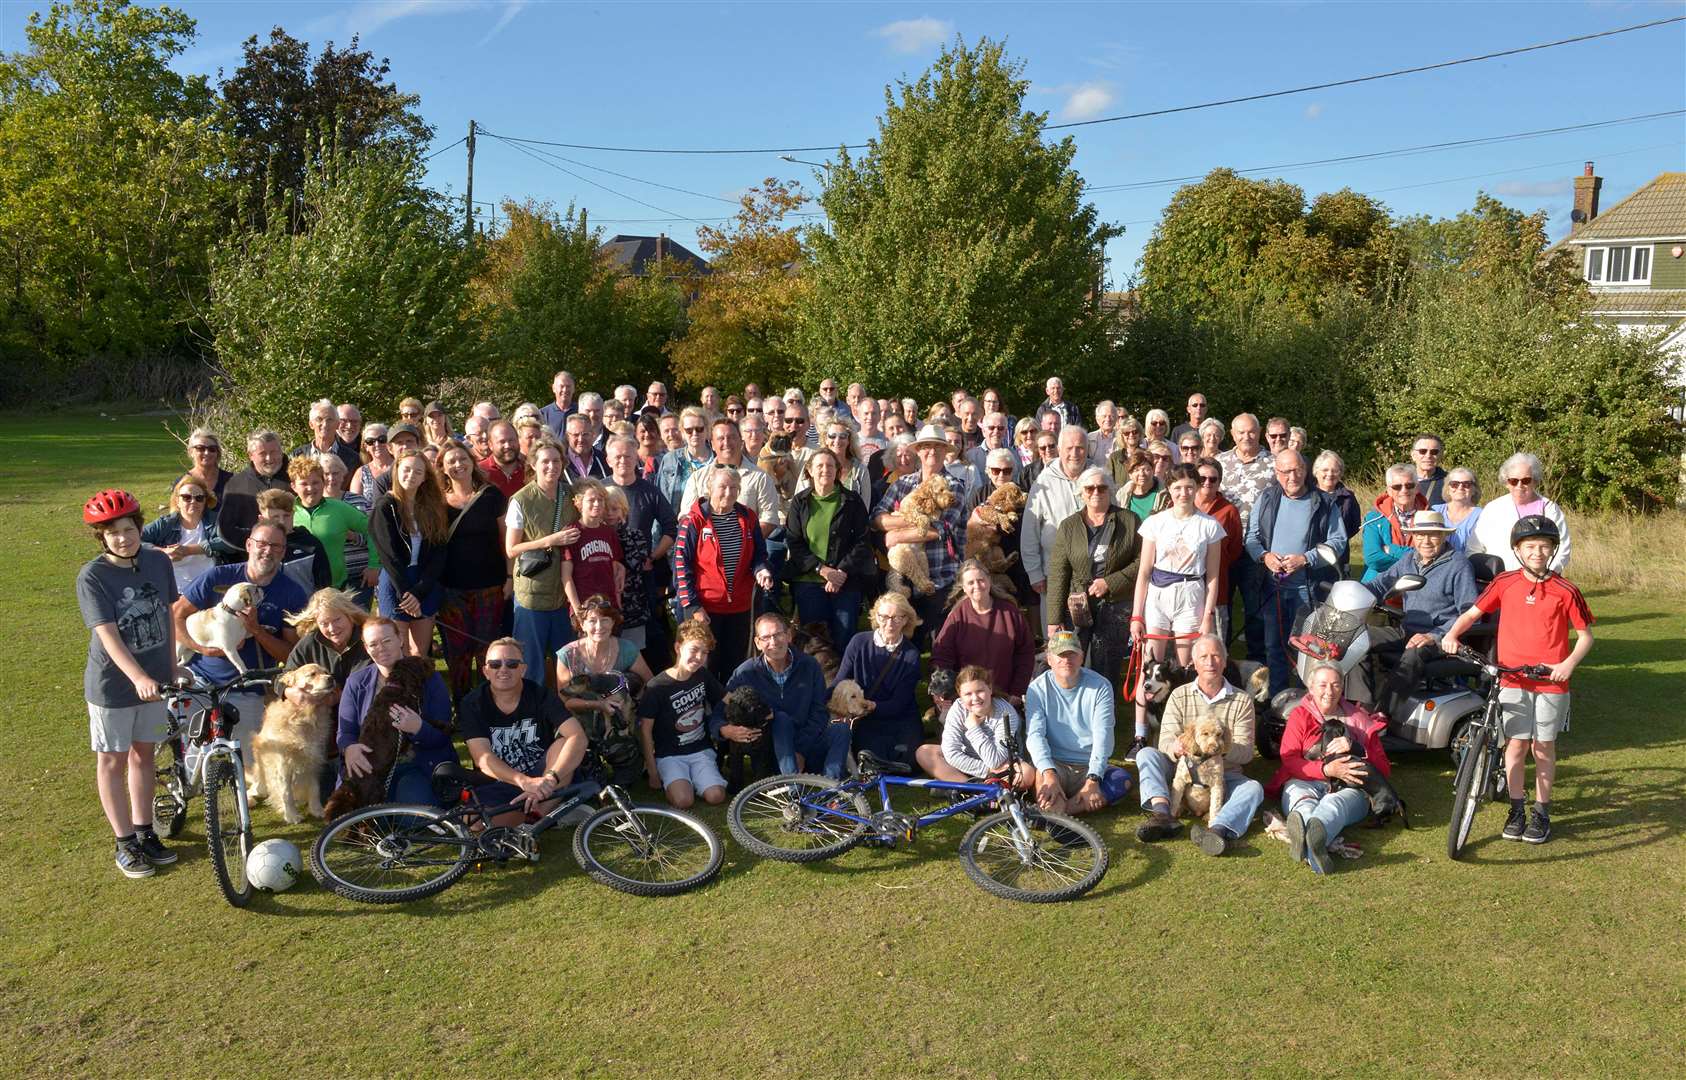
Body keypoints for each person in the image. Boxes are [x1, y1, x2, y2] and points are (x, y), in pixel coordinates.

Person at [1442, 515, 1592, 845]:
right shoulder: (1505, 583)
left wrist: (1567, 664)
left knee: (1543, 747)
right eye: (1530, 547)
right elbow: (1472, 614)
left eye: (1544, 546)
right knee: (1515, 745)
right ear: (1518, 550)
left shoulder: (1565, 590)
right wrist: (1452, 634)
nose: (1537, 552)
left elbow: (1585, 636)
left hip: (1551, 682)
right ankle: (1516, 808)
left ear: (1553, 550)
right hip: (1512, 678)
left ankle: (1541, 811)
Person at [78, 490, 182, 877]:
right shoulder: (93, 576)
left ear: (139, 527)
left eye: (128, 529)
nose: (123, 538)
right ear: (101, 538)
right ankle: (124, 842)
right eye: (113, 533)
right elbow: (107, 634)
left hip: (155, 683)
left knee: (145, 753)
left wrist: (170, 670)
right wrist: (138, 676)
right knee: (112, 759)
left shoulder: (157, 561)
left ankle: (144, 831)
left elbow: (169, 618)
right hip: (114, 687)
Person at [174, 520, 306, 746]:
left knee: (245, 764)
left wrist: (256, 630)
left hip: (249, 688)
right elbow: (175, 615)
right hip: (201, 681)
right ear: (248, 545)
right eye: (262, 543)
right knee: (196, 757)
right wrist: (201, 648)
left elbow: (291, 655)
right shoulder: (217, 577)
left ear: (283, 552)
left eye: (276, 546)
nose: (268, 550)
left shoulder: (292, 593)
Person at [1133, 633, 1265, 854]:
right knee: (1146, 754)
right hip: (1181, 768)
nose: (1210, 662)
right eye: (1204, 656)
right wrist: (1176, 747)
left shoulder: (1242, 700)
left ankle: (1218, 830)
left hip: (1224, 773)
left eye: (1216, 656)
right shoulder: (1178, 695)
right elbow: (1165, 740)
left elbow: (1245, 753)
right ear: (1193, 662)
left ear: (1225, 661)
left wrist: (1217, 748)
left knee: (1253, 789)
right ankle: (1162, 814)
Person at [1129, 463, 1225, 750]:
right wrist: (1137, 615)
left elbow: (1213, 575)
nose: (1183, 493)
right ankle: (1140, 735)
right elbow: (1144, 572)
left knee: (1185, 669)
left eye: (1189, 487)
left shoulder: (1209, 526)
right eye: (1177, 487)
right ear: (1168, 490)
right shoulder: (1156, 523)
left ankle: (1183, 732)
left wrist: (1208, 615)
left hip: (1191, 597)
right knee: (1147, 668)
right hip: (1158, 597)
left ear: (1197, 488)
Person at [1264, 663, 1390, 874]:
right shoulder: (1300, 716)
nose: (1329, 692)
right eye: (1322, 685)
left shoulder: (1359, 720)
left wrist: (1357, 747)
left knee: (1334, 802)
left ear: (1342, 688)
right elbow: (1289, 759)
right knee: (1301, 799)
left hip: (1351, 788)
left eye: (1335, 685)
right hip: (1304, 780)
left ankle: (1307, 841)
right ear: (1311, 688)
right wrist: (1326, 770)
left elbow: (1383, 770)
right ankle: (1315, 845)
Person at [1244, 449, 1349, 696]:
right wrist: (1265, 556)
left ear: (1305, 470)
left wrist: (1306, 558)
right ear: (1276, 473)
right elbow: (1251, 538)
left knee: (1310, 650)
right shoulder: (1267, 498)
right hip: (1273, 588)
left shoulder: (1323, 502)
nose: (1292, 476)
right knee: (1274, 648)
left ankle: (1310, 702)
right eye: (1286, 471)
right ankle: (1279, 700)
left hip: (1308, 589)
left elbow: (1338, 541)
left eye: (1297, 470)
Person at [1353, 509, 1478, 716]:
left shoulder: (1458, 564)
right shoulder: (1410, 559)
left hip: (1439, 637)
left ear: (1444, 536)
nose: (1426, 541)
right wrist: (1351, 591)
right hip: (1407, 630)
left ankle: (1382, 715)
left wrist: (1433, 636)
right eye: (1420, 535)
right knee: (1356, 638)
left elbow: (1470, 611)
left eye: (1433, 535)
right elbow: (1380, 584)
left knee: (1413, 654)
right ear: (1413, 537)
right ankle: (1362, 705)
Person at [458, 638, 588, 828]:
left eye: (512, 664)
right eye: (495, 664)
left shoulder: (540, 694)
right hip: (500, 780)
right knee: (472, 822)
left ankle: (537, 816)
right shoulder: (472, 703)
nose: (503, 670)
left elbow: (577, 736)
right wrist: (524, 782)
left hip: (544, 775)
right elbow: (482, 758)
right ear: (486, 671)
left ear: (523, 669)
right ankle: (555, 810)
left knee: (563, 746)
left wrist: (548, 780)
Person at [1047, 466, 1141, 714]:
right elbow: (1058, 572)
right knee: (1068, 657)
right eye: (1090, 488)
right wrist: (1054, 619)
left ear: (1110, 491)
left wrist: (1111, 581)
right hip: (1077, 604)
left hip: (1116, 603)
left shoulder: (1129, 521)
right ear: (1082, 493)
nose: (1096, 492)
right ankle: (1067, 711)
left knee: (1107, 661)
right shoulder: (1068, 526)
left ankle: (1104, 713)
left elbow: (1142, 562)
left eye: (1102, 487)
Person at [336, 617, 454, 806]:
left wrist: (418, 728)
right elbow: (345, 731)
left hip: (416, 764)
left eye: (387, 640)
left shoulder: (428, 676)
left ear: (400, 640)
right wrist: (349, 747)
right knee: (366, 819)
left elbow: (444, 734)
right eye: (373, 644)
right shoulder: (357, 682)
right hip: (371, 766)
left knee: (411, 818)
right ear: (366, 648)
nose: (381, 648)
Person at [673, 467, 774, 681]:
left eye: (733, 488)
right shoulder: (693, 521)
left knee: (736, 665)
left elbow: (759, 554)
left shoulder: (748, 517)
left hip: (740, 607)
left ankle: (731, 709)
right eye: (722, 487)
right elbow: (681, 566)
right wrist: (693, 606)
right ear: (710, 488)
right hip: (705, 608)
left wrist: (761, 570)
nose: (728, 493)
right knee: (705, 665)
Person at [872, 424, 970, 636]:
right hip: (904, 577)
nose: (932, 451)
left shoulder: (953, 487)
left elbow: (940, 529)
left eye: (937, 446)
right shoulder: (902, 484)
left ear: (946, 451)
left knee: (942, 647)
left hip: (941, 576)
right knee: (906, 642)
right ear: (918, 450)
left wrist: (895, 535)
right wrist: (908, 521)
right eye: (926, 446)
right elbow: (877, 517)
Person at [724, 612, 847, 779]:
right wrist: (724, 730)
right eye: (766, 637)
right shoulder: (746, 672)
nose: (773, 642)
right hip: (773, 753)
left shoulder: (809, 666)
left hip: (808, 744)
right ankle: (793, 790)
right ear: (758, 643)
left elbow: (819, 711)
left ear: (789, 635)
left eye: (778, 635)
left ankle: (832, 791)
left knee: (841, 729)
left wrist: (800, 750)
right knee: (780, 719)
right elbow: (722, 705)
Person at [436, 442, 509, 702]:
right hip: (451, 589)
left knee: (487, 650)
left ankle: (491, 703)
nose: (458, 465)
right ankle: (463, 705)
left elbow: (505, 541)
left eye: (462, 459)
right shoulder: (437, 502)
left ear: (472, 461)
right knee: (457, 653)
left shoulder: (492, 496)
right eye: (451, 462)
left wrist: (510, 577)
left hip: (490, 586)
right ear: (443, 469)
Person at [1024, 631, 1127, 816]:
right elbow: (1035, 735)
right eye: (1060, 655)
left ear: (1081, 657)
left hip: (1088, 765)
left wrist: (1093, 779)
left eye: (1072, 653)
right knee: (1043, 780)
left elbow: (1103, 736)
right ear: (1049, 659)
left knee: (1122, 780)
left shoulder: (1101, 686)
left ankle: (1059, 815)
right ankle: (1066, 813)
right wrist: (1049, 773)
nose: (1066, 659)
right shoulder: (1036, 688)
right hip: (1055, 764)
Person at [505, 441, 581, 686]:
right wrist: (550, 540)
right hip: (533, 593)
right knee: (531, 664)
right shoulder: (521, 500)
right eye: (545, 461)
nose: (551, 466)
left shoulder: (571, 495)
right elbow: (511, 548)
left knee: (568, 662)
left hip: (564, 591)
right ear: (533, 464)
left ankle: (569, 716)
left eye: (556, 461)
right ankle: (532, 717)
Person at [782, 449, 874, 649]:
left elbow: (862, 541)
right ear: (810, 471)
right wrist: (822, 570)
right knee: (814, 643)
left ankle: (843, 680)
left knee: (844, 640)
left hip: (845, 581)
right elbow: (794, 541)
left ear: (838, 470)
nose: (825, 470)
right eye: (820, 466)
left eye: (830, 465)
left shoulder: (852, 501)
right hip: (809, 581)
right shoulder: (800, 502)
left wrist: (841, 572)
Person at [640, 619, 730, 807]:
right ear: (678, 647)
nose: (699, 657)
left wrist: (756, 707)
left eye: (704, 653)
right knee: (683, 801)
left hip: (700, 749)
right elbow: (645, 730)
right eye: (694, 650)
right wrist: (652, 770)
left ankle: (699, 779)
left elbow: (728, 699)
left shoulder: (703, 675)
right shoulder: (656, 687)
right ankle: (678, 781)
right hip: (669, 754)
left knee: (716, 796)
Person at [370, 449, 448, 657]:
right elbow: (389, 555)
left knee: (419, 651)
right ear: (396, 471)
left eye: (417, 472)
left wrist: (419, 591)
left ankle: (418, 689)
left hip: (424, 582)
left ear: (425, 477)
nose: (411, 475)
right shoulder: (386, 506)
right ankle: (398, 690)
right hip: (396, 582)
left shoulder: (432, 508)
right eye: (406, 470)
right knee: (397, 650)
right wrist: (407, 594)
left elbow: (439, 552)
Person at [836, 592, 925, 770]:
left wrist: (872, 705)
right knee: (872, 759)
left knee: (907, 762)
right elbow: (840, 681)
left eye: (896, 618)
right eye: (883, 617)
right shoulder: (858, 642)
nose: (889, 624)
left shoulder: (911, 654)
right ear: (875, 616)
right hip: (866, 717)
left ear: (906, 619)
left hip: (899, 716)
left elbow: (899, 703)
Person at [931, 559, 1036, 708]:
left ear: (989, 580)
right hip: (969, 700)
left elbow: (1025, 653)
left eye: (981, 580)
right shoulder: (957, 616)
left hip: (1005, 697)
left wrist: (1017, 692)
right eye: (971, 583)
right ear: (964, 588)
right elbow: (942, 656)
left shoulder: (1010, 612)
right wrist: (943, 691)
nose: (977, 586)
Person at [915, 665, 1035, 787]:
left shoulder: (1006, 713)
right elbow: (950, 752)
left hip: (1001, 765)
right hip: (968, 762)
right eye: (968, 694)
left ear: (990, 689)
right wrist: (986, 770)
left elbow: (995, 761)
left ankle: (970, 788)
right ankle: (973, 790)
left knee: (1027, 773)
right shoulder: (958, 709)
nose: (975, 698)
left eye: (980, 691)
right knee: (924, 752)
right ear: (960, 695)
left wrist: (974, 728)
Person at [1217, 413, 1274, 661]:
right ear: (1232, 434)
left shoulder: (1273, 464)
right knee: (1222, 606)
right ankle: (1221, 659)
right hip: (1223, 547)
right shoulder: (1219, 462)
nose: (1246, 436)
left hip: (1257, 548)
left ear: (1259, 432)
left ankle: (1257, 663)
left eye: (1251, 431)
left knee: (1254, 608)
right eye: (1241, 432)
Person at [1021, 423, 1090, 630]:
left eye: (1080, 448)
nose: (1075, 453)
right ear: (1060, 450)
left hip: (1091, 575)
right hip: (1054, 575)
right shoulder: (1044, 482)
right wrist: (1035, 573)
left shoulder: (1097, 477)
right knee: (1058, 637)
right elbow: (1029, 531)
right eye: (1069, 448)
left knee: (1087, 641)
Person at [1469, 452, 1572, 573]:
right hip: (1500, 582)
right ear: (1506, 483)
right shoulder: (1492, 509)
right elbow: (1474, 549)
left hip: (1542, 580)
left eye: (1526, 480)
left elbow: (1562, 549)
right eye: (1513, 481)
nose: (1519, 485)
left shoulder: (1550, 509)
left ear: (1535, 481)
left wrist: (1546, 575)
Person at [289, 454, 377, 592]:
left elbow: (374, 530)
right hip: (298, 591)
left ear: (323, 483)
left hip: (335, 589)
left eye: (315, 482)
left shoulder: (339, 508)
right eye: (304, 483)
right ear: (293, 486)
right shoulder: (287, 512)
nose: (311, 488)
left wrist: (374, 565)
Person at [679, 418, 781, 532]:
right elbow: (686, 517)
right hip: (706, 546)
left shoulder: (760, 478)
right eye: (720, 438)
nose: (726, 442)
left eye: (732, 437)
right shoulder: (697, 478)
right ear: (712, 444)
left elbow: (769, 519)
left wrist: (747, 544)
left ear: (741, 441)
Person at [556, 595, 655, 693]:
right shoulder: (567, 654)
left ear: (613, 622)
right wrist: (597, 705)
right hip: (580, 708)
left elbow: (652, 684)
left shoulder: (628, 649)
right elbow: (564, 698)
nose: (599, 627)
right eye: (592, 621)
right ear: (582, 625)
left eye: (605, 620)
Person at [558, 478, 625, 621]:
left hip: (608, 606)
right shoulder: (572, 532)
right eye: (591, 500)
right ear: (578, 503)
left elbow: (614, 570)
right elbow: (566, 576)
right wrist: (577, 609)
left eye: (600, 500)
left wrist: (617, 603)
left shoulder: (608, 532)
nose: (597, 504)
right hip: (585, 607)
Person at [215, 430, 289, 558]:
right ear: (251, 455)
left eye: (274, 452)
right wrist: (258, 545)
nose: (269, 458)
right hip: (253, 560)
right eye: (263, 454)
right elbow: (225, 529)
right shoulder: (236, 485)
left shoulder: (296, 478)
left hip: (295, 555)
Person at [143, 476, 218, 594]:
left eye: (199, 498)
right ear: (177, 501)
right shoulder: (165, 524)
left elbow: (228, 542)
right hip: (173, 589)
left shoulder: (215, 521)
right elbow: (136, 540)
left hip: (208, 588)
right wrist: (162, 551)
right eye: (186, 497)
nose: (193, 501)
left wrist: (188, 550)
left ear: (205, 501)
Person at [254, 488, 331, 595]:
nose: (281, 521)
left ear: (293, 514)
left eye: (286, 516)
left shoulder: (311, 544)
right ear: (261, 519)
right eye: (275, 517)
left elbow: (324, 586)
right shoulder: (255, 546)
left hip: (304, 608)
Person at [1360, 464, 1427, 583]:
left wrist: (1391, 550)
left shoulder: (1430, 517)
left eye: (1409, 485)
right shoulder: (1374, 518)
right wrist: (1413, 565)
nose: (1404, 490)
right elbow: (1373, 558)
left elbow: (1431, 556)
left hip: (1417, 588)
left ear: (1417, 488)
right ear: (1389, 491)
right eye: (1397, 487)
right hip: (1378, 587)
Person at [1311, 450, 1363, 554]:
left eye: (1334, 470)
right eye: (1325, 470)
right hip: (1309, 553)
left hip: (1339, 554)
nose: (1330, 474)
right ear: (1316, 472)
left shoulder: (1348, 497)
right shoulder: (1307, 496)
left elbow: (1354, 525)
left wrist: (1338, 540)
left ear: (1340, 473)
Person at [293, 398, 358, 473]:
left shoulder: (352, 458)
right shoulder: (297, 455)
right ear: (311, 424)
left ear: (337, 424)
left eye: (329, 420)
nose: (325, 424)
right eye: (319, 419)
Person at [1432, 467, 1482, 554]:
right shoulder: (1434, 511)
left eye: (1466, 484)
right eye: (1454, 484)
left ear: (1474, 490)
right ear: (1447, 489)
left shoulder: (1482, 515)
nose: (1460, 487)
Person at [178, 427, 233, 503]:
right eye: (200, 448)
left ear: (217, 453)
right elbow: (176, 512)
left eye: (212, 449)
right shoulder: (182, 483)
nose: (207, 453)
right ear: (191, 452)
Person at [478, 420, 526, 499]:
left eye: (511, 440)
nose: (507, 446)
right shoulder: (480, 472)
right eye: (502, 442)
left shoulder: (530, 469)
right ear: (490, 445)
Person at [1113, 449, 1165, 521]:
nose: (1142, 474)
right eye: (1136, 470)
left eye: (1146, 469)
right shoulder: (1122, 494)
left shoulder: (1164, 494)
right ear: (1130, 474)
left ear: (1153, 470)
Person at [350, 422, 394, 503]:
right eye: (370, 441)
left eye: (382, 439)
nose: (377, 444)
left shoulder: (400, 467)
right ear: (366, 447)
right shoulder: (361, 473)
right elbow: (354, 505)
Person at [563, 414, 609, 482]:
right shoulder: (560, 462)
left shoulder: (603, 460)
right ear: (567, 436)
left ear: (593, 434)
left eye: (585, 434)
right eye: (575, 435)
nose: (581, 439)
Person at [1410, 433, 1448, 506]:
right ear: (1413, 455)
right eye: (1422, 451)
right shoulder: (1400, 481)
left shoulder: (1451, 483)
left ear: (1441, 455)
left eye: (1434, 452)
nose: (1428, 456)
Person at [539, 369, 577, 439]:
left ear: (573, 389)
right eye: (561, 386)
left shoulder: (580, 412)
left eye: (568, 386)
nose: (565, 390)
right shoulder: (542, 414)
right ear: (554, 388)